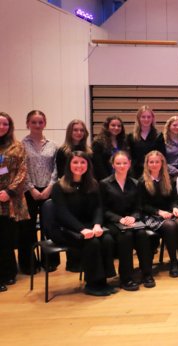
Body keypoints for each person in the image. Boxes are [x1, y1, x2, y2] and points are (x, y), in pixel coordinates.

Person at [50, 151, 116, 296]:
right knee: (92, 243)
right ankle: (92, 284)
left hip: (88, 226)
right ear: (69, 165)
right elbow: (62, 213)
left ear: (88, 165)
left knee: (107, 238)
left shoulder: (93, 184)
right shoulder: (58, 187)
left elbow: (99, 207)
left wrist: (97, 224)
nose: (79, 165)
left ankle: (103, 280)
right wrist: (81, 229)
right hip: (65, 228)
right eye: (75, 162)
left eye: (82, 162)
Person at [100, 151, 154, 291]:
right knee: (126, 236)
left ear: (129, 164)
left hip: (131, 221)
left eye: (125, 163)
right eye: (118, 163)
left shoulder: (136, 183)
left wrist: (133, 217)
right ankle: (126, 278)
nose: (122, 166)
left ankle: (147, 274)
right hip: (113, 222)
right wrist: (120, 219)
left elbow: (138, 206)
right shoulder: (105, 184)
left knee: (142, 234)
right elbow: (103, 209)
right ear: (113, 165)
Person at [139, 151, 178, 277]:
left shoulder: (168, 179)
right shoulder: (142, 181)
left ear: (162, 163)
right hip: (150, 215)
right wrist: (158, 212)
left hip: (168, 213)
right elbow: (142, 205)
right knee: (170, 226)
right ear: (147, 164)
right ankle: (173, 262)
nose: (154, 164)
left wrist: (174, 208)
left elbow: (173, 199)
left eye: (157, 162)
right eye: (151, 162)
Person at [20, 110, 58, 274]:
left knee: (48, 227)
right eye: (33, 122)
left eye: (40, 122)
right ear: (27, 123)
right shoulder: (21, 145)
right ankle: (29, 264)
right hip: (29, 191)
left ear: (45, 123)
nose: (37, 125)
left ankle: (49, 261)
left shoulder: (53, 145)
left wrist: (50, 187)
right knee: (27, 230)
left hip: (49, 190)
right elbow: (21, 169)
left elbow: (56, 168)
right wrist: (31, 188)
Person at [0, 112, 29, 293]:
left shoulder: (17, 147)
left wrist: (9, 191)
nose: (2, 127)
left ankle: (8, 272)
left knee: (6, 239)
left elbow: (22, 171)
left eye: (5, 124)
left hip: (9, 199)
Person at [126, 105, 165, 178]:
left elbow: (162, 157)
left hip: (154, 172)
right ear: (138, 118)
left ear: (152, 118)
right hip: (136, 174)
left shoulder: (159, 136)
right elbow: (129, 157)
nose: (146, 119)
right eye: (143, 117)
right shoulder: (131, 137)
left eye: (149, 117)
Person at [92, 115, 128, 181]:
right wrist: (107, 181)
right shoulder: (98, 143)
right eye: (113, 125)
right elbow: (98, 166)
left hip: (122, 179)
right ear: (107, 127)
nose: (116, 128)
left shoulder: (124, 142)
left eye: (119, 126)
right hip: (105, 180)